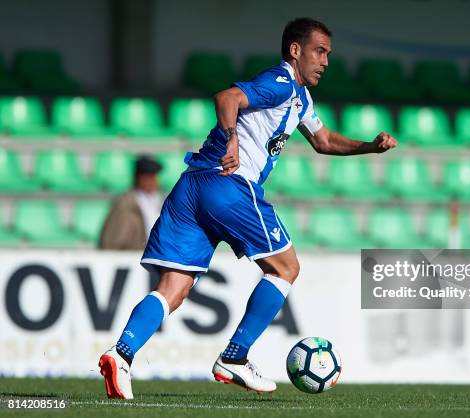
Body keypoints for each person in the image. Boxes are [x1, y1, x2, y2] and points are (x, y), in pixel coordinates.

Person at [98, 17, 398, 399]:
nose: (325, 61)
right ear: (295, 50)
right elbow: (227, 99)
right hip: (228, 184)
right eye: (319, 51)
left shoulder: (300, 99)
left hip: (192, 186)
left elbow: (323, 140)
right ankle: (235, 357)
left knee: (174, 287)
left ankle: (120, 354)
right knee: (286, 267)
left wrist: (369, 147)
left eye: (328, 54)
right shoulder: (281, 82)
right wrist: (232, 139)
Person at [98, 155, 163, 250]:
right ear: (139, 178)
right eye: (148, 177)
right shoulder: (126, 204)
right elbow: (114, 240)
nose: (152, 181)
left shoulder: (157, 200)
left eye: (153, 177)